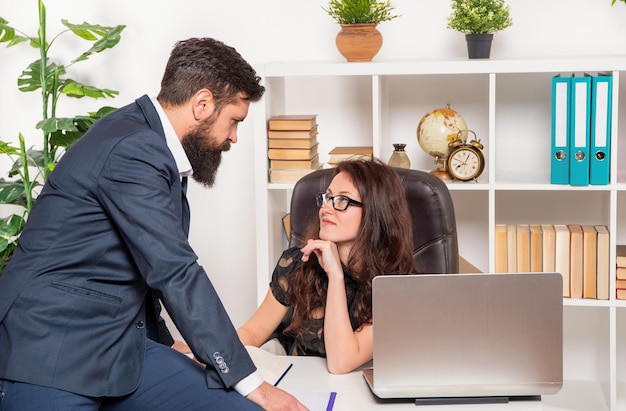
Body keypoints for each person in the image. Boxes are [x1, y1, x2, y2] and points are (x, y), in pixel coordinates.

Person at [0, 37, 307, 411]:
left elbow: (139, 267)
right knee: (255, 396)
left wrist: (168, 345)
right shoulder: (135, 147)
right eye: (234, 121)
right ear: (203, 103)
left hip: (118, 349)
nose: (234, 137)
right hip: (52, 352)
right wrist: (253, 382)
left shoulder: (153, 147)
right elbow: (174, 270)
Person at [238, 158, 416, 374]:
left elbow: (341, 363)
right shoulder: (296, 263)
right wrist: (202, 354)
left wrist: (335, 276)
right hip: (299, 388)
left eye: (343, 201)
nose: (326, 209)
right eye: (328, 197)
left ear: (376, 213)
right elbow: (252, 333)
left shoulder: (396, 286)